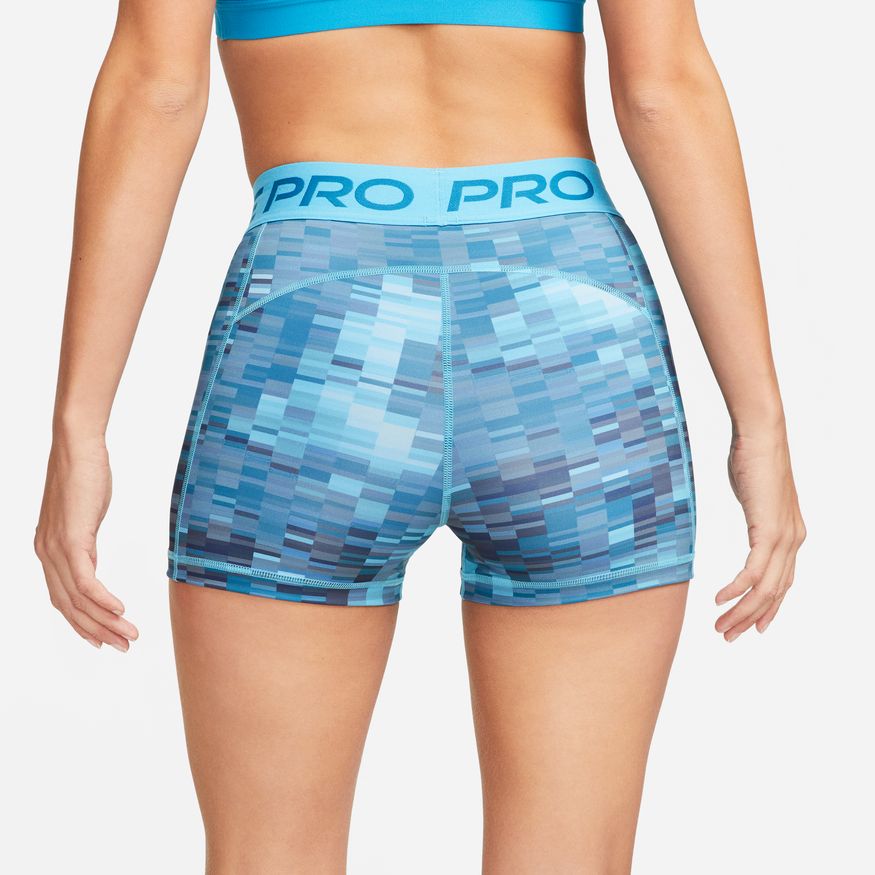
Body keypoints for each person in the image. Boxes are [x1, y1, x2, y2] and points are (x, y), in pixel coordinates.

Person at [34, 0, 806, 871]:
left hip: (316, 329)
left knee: (268, 853)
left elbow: (157, 88)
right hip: (566, 336)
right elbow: (661, 92)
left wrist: (80, 427)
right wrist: (759, 422)